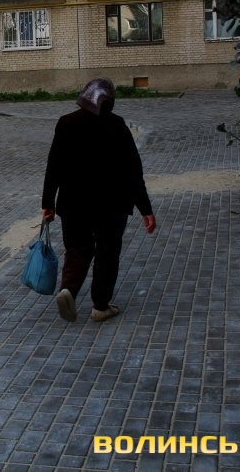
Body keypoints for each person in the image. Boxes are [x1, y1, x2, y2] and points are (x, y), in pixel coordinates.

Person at [40, 78, 156, 322]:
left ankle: (68, 290)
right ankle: (100, 306)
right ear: (109, 101)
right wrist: (145, 209)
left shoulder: (66, 123)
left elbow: (54, 166)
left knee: (77, 249)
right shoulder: (117, 126)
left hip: (73, 204)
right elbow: (133, 172)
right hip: (112, 206)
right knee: (107, 252)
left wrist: (48, 203)